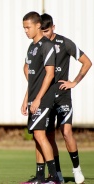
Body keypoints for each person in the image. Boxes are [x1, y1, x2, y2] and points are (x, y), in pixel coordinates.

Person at [39, 13, 92, 184]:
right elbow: (28, 68)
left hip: (62, 96)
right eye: (41, 30)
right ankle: (58, 174)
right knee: (49, 136)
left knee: (67, 132)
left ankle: (77, 170)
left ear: (53, 28)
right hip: (46, 96)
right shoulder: (38, 46)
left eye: (46, 30)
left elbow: (87, 62)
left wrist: (74, 82)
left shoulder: (65, 43)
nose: (44, 34)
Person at [20, 11, 60, 184]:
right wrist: (26, 99)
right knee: (37, 136)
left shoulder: (47, 46)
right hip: (34, 98)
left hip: (44, 99)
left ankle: (54, 178)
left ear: (38, 26)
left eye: (28, 27)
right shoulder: (32, 47)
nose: (26, 31)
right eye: (24, 28)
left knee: (40, 135)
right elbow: (33, 77)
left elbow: (50, 75)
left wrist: (37, 99)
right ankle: (39, 178)